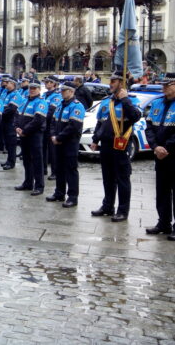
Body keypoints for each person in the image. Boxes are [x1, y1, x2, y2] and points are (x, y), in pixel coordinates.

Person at [90, 70, 141, 222]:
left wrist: (125, 100)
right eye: (110, 81)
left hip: (121, 145)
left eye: (113, 81)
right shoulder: (107, 101)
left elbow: (135, 117)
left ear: (121, 82)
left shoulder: (131, 101)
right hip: (106, 145)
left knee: (122, 179)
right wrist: (95, 139)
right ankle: (107, 206)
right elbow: (100, 123)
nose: (110, 84)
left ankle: (123, 211)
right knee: (108, 178)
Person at [144, 73, 175, 239]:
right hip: (160, 155)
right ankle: (163, 223)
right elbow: (149, 127)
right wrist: (156, 147)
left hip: (173, 155)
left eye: (167, 85)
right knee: (162, 191)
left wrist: (166, 147)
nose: (163, 88)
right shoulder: (157, 103)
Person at [46, 82, 85, 208]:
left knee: (71, 170)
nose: (62, 92)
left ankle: (73, 197)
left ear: (71, 91)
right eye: (62, 90)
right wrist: (53, 136)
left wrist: (59, 137)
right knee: (59, 168)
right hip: (58, 142)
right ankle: (59, 193)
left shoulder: (77, 106)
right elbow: (53, 122)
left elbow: (73, 126)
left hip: (70, 143)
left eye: (65, 90)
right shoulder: (60, 105)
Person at [14, 81, 47, 195]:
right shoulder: (24, 100)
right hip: (23, 134)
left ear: (39, 90)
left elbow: (38, 120)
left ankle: (39, 186)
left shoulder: (41, 102)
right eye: (30, 88)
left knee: (37, 161)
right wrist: (17, 127)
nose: (32, 90)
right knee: (27, 160)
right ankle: (28, 182)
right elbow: (17, 115)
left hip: (34, 135)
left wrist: (25, 130)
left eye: (34, 88)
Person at [42, 76, 62, 181]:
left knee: (52, 150)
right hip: (43, 124)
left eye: (49, 82)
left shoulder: (57, 96)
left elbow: (51, 111)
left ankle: (54, 172)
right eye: (46, 82)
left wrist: (41, 116)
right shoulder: (45, 95)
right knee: (43, 147)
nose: (46, 84)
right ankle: (43, 168)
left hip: (51, 124)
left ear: (54, 84)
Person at [1, 78, 23, 170]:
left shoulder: (16, 95)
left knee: (11, 143)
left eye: (8, 83)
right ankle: (8, 160)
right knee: (7, 142)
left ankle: (11, 162)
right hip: (4, 121)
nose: (6, 84)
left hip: (11, 121)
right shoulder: (6, 93)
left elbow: (11, 109)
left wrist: (0, 112)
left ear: (13, 84)